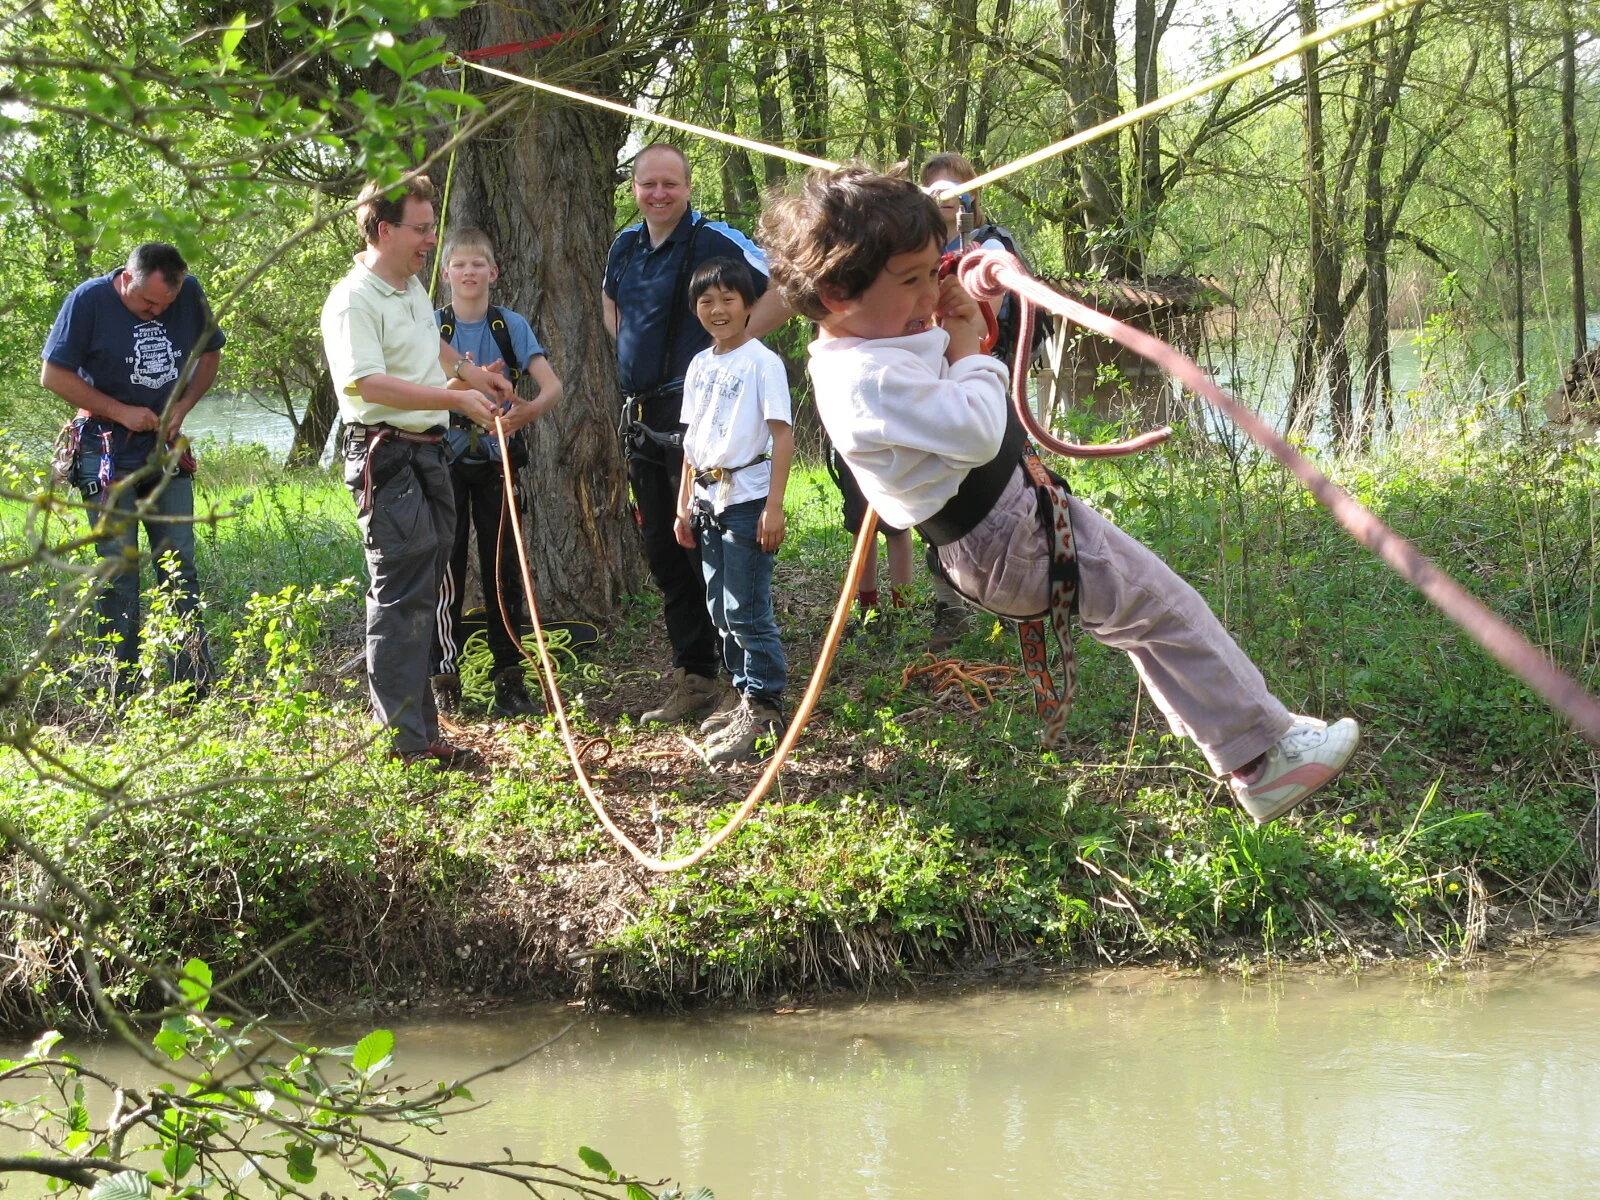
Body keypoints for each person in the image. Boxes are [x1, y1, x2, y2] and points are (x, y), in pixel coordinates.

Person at [758, 167, 1361, 825]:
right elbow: (982, 428)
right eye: (913, 280)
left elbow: (920, 331)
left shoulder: (864, 344)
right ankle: (1265, 755)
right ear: (835, 292)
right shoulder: (866, 382)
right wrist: (964, 346)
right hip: (1008, 535)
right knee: (1163, 608)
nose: (930, 291)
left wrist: (961, 280)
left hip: (1004, 531)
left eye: (933, 273)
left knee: (1147, 621)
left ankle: (1245, 747)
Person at [320, 176, 510, 770]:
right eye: (422, 229)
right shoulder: (354, 298)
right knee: (400, 593)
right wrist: (454, 401)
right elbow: (365, 384)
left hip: (428, 453)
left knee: (427, 586)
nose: (432, 239)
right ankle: (405, 744)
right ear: (385, 230)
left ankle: (420, 731)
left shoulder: (408, 290)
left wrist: (474, 377)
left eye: (431, 227)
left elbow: (434, 349)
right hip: (386, 457)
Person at [602, 142, 792, 726]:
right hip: (646, 422)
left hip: (710, 424)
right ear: (634, 189)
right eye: (647, 184)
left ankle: (750, 689)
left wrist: (728, 351)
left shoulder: (716, 241)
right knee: (665, 549)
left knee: (713, 557)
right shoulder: (625, 246)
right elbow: (609, 303)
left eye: (670, 184)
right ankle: (695, 677)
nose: (658, 194)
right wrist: (636, 360)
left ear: (688, 187)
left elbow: (788, 286)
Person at [40, 242, 225, 693]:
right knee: (119, 570)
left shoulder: (188, 293)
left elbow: (210, 355)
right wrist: (120, 411)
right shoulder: (89, 300)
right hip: (103, 450)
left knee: (178, 561)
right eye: (147, 303)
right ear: (126, 279)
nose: (156, 312)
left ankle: (192, 684)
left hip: (164, 450)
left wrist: (181, 408)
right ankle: (119, 690)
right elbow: (53, 374)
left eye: (165, 305)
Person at [430, 227, 564, 718]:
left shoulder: (509, 325)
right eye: (459, 265)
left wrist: (523, 413)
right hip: (441, 459)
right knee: (446, 570)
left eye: (477, 264)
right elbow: (414, 384)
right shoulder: (430, 326)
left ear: (493, 272)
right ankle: (445, 677)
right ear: (445, 273)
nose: (469, 272)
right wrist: (463, 380)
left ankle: (510, 678)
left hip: (496, 460)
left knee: (503, 568)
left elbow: (551, 385)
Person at [672, 257, 794, 763]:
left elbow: (782, 436)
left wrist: (775, 507)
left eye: (728, 299)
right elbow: (691, 441)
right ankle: (745, 693)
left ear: (748, 305)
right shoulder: (701, 364)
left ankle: (766, 704)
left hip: (747, 500)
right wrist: (683, 504)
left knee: (747, 607)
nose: (717, 310)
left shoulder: (762, 363)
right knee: (720, 607)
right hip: (706, 501)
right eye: (707, 301)